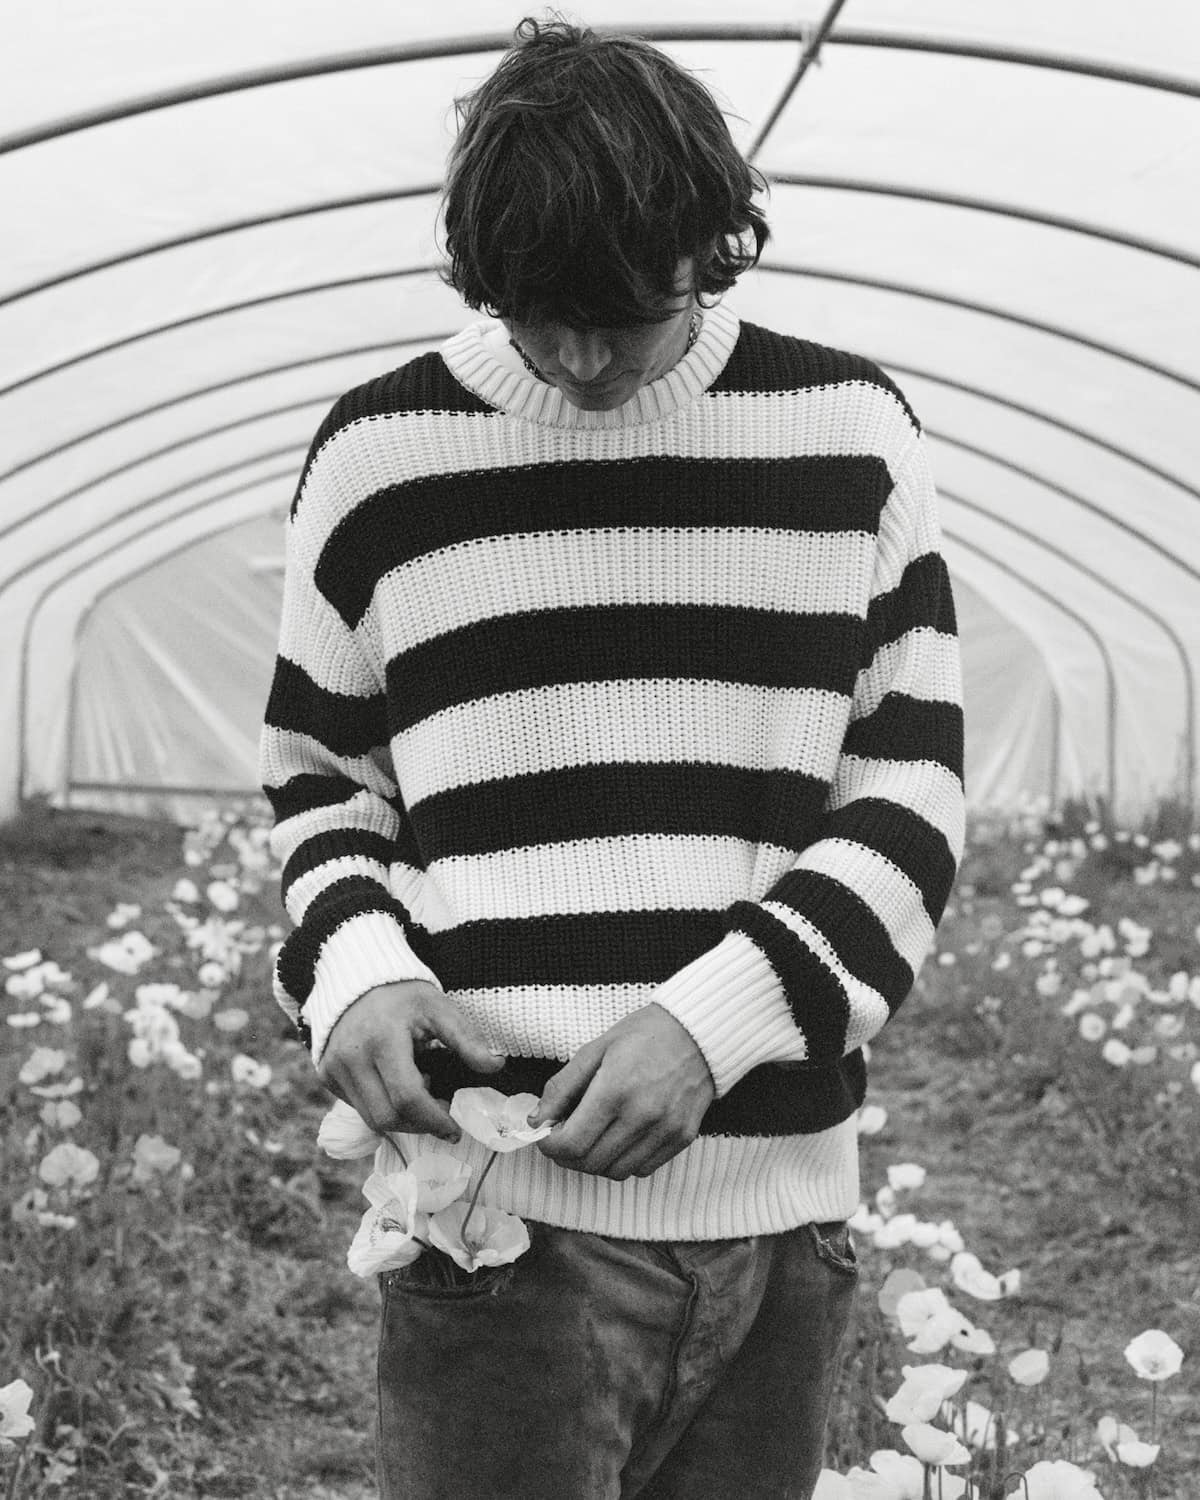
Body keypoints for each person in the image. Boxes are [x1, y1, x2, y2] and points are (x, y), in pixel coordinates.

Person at [260, 16, 964, 1500]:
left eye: (621, 319)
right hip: (496, 1232)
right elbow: (326, 779)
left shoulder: (849, 437)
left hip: (781, 1222)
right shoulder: (379, 458)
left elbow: (907, 799)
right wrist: (362, 973)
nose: (579, 362)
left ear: (714, 246)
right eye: (536, 318)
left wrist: (709, 1025)